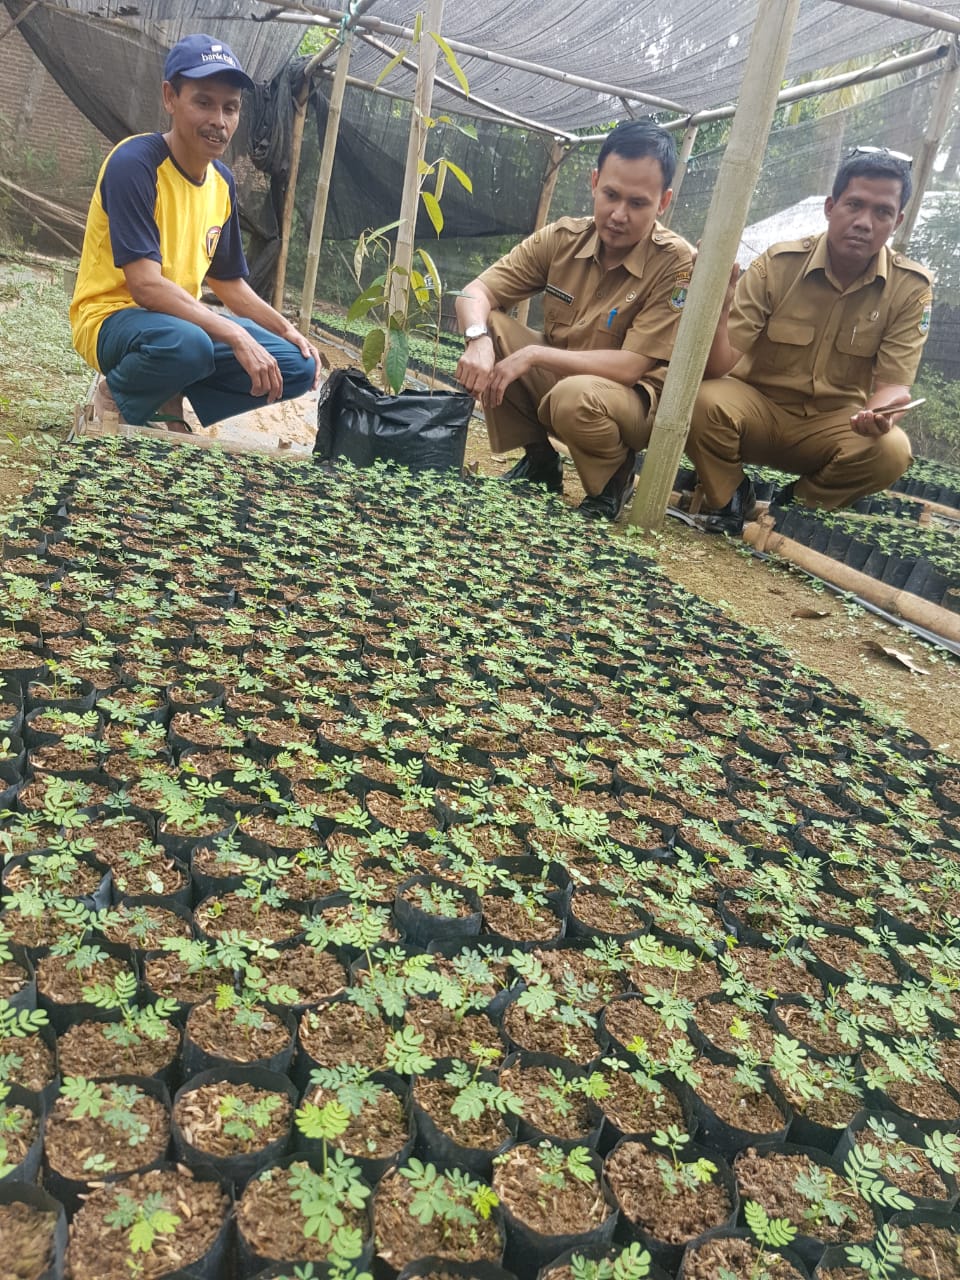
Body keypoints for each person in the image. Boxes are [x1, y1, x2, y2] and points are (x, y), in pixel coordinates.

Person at [70, 33, 321, 432]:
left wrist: (286, 329)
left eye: (230, 108)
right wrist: (235, 335)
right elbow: (146, 287)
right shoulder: (135, 164)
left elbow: (230, 285)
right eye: (203, 102)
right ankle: (117, 391)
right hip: (112, 320)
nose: (219, 121)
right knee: (190, 345)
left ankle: (168, 392)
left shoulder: (221, 183)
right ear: (170, 97)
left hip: (179, 325)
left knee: (296, 365)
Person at [454, 120, 694, 520]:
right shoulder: (563, 238)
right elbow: (474, 293)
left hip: (631, 401)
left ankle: (613, 480)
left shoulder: (674, 263)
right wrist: (477, 338)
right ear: (595, 181)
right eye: (611, 195)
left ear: (663, 202)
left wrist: (533, 355)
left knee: (573, 398)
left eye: (638, 204)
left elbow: (632, 365)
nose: (619, 214)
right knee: (492, 326)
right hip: (565, 373)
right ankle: (540, 462)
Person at [686, 146, 932, 534]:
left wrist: (880, 416)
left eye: (882, 212)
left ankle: (791, 512)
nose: (864, 222)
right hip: (757, 410)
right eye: (854, 204)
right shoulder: (779, 265)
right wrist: (719, 306)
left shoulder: (909, 290)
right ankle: (731, 498)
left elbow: (894, 387)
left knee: (892, 450)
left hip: (834, 424)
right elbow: (720, 365)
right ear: (831, 206)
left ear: (897, 220)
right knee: (698, 400)